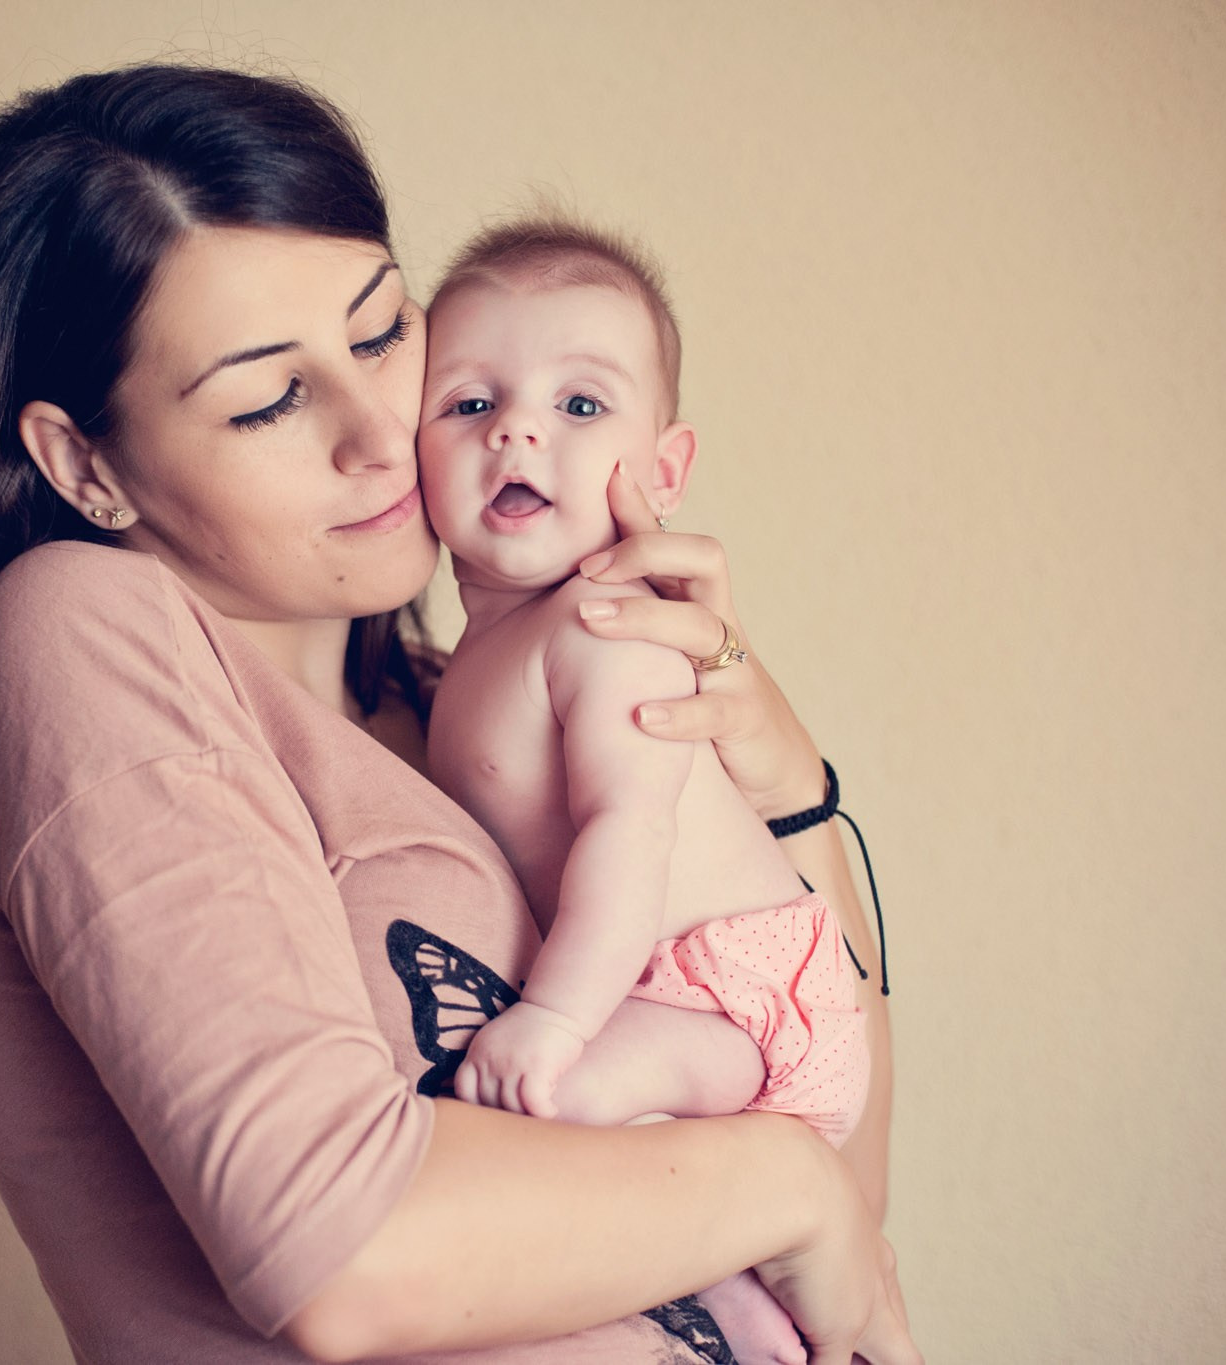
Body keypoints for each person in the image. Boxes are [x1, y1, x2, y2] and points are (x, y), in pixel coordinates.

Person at [0, 62, 915, 1365]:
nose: (383, 429)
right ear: (85, 464)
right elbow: (341, 1256)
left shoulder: (456, 709)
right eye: (268, 397)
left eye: (380, 333)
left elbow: (851, 1223)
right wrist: (789, 1192)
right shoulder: (82, 629)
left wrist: (783, 783)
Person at [416, 216, 873, 1365]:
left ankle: (752, 1301)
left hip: (743, 1001)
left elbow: (629, 832)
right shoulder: (461, 662)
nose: (516, 426)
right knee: (584, 1144)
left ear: (660, 474)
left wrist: (556, 1019)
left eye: (579, 406)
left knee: (541, 1111)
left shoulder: (606, 627)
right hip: (682, 1005)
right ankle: (740, 1293)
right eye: (468, 403)